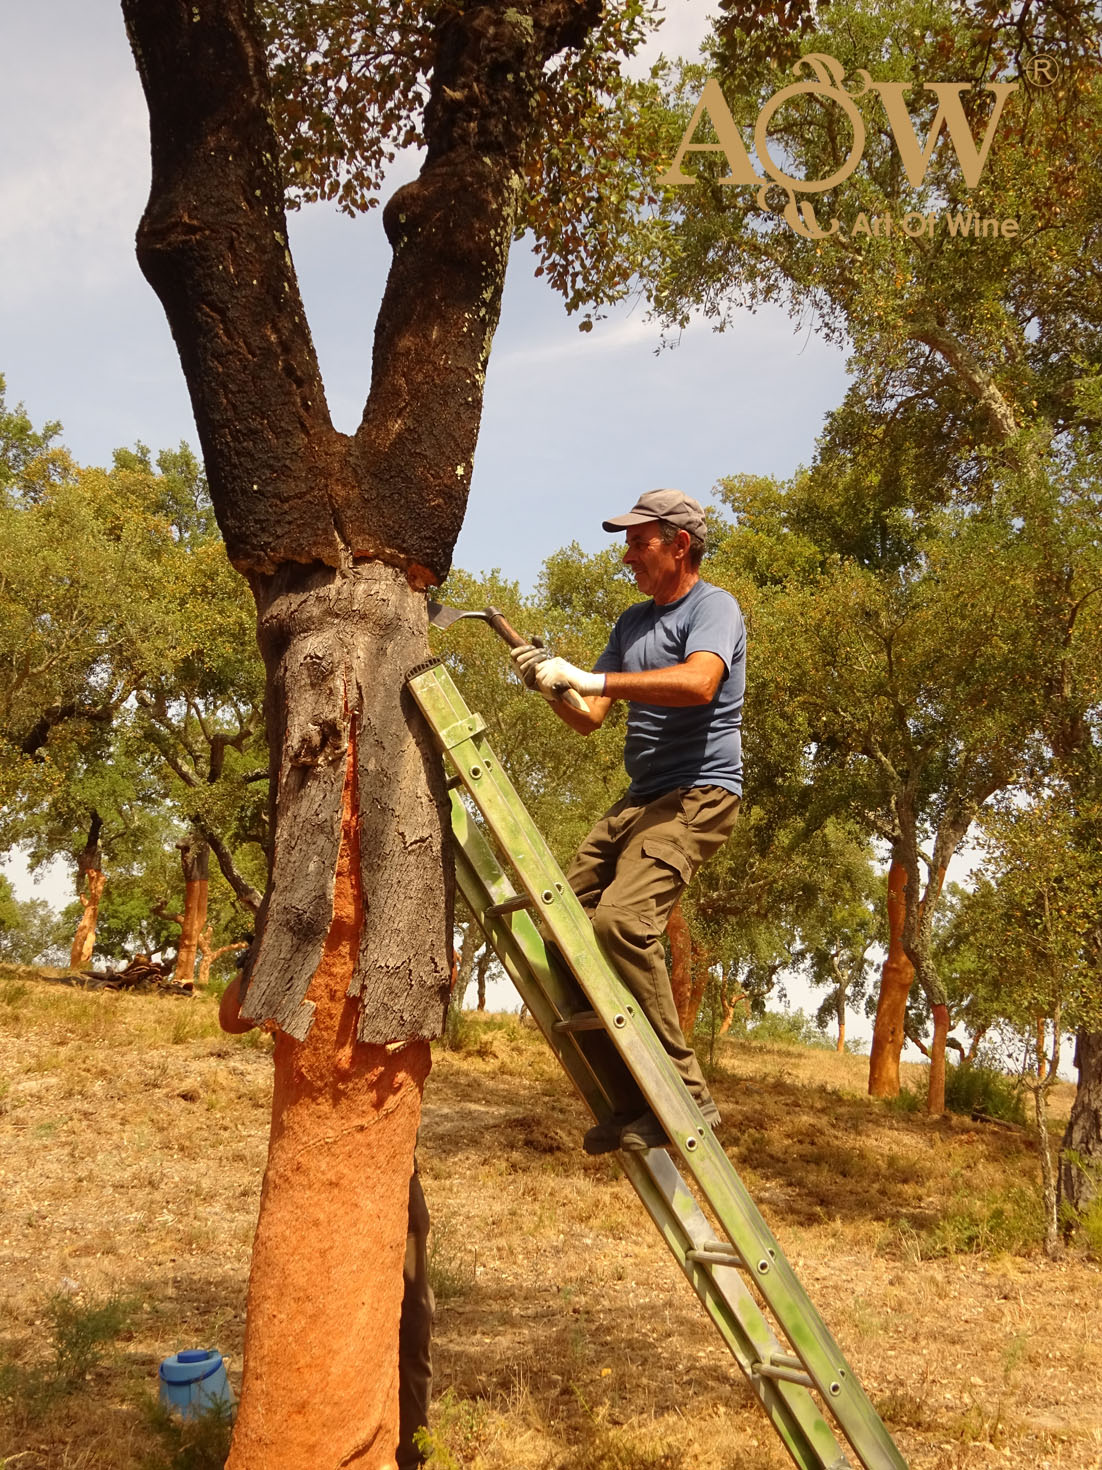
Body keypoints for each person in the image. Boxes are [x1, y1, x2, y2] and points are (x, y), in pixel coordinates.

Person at [511, 488, 745, 1155]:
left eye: (639, 542)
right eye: (627, 543)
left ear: (680, 544)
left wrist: (589, 678)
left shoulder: (713, 609)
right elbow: (589, 719)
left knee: (620, 922)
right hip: (641, 798)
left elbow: (700, 683)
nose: (627, 556)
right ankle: (630, 1098)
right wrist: (552, 685)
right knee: (559, 929)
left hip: (699, 794)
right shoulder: (631, 623)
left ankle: (686, 1094)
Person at [218, 970, 434, 1469]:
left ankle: (411, 1453)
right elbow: (231, 1017)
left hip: (394, 1178)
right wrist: (264, 957)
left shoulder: (406, 944)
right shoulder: (306, 945)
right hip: (317, 1186)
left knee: (412, 1320)